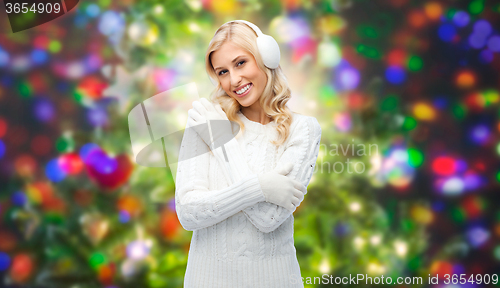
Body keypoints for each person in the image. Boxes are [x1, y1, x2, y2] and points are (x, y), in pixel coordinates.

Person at [174, 20, 322, 288]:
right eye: (222, 71)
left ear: (266, 58)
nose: (233, 80)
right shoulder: (205, 120)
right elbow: (188, 213)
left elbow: (269, 218)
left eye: (240, 63)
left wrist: (221, 143)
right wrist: (261, 187)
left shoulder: (303, 130)